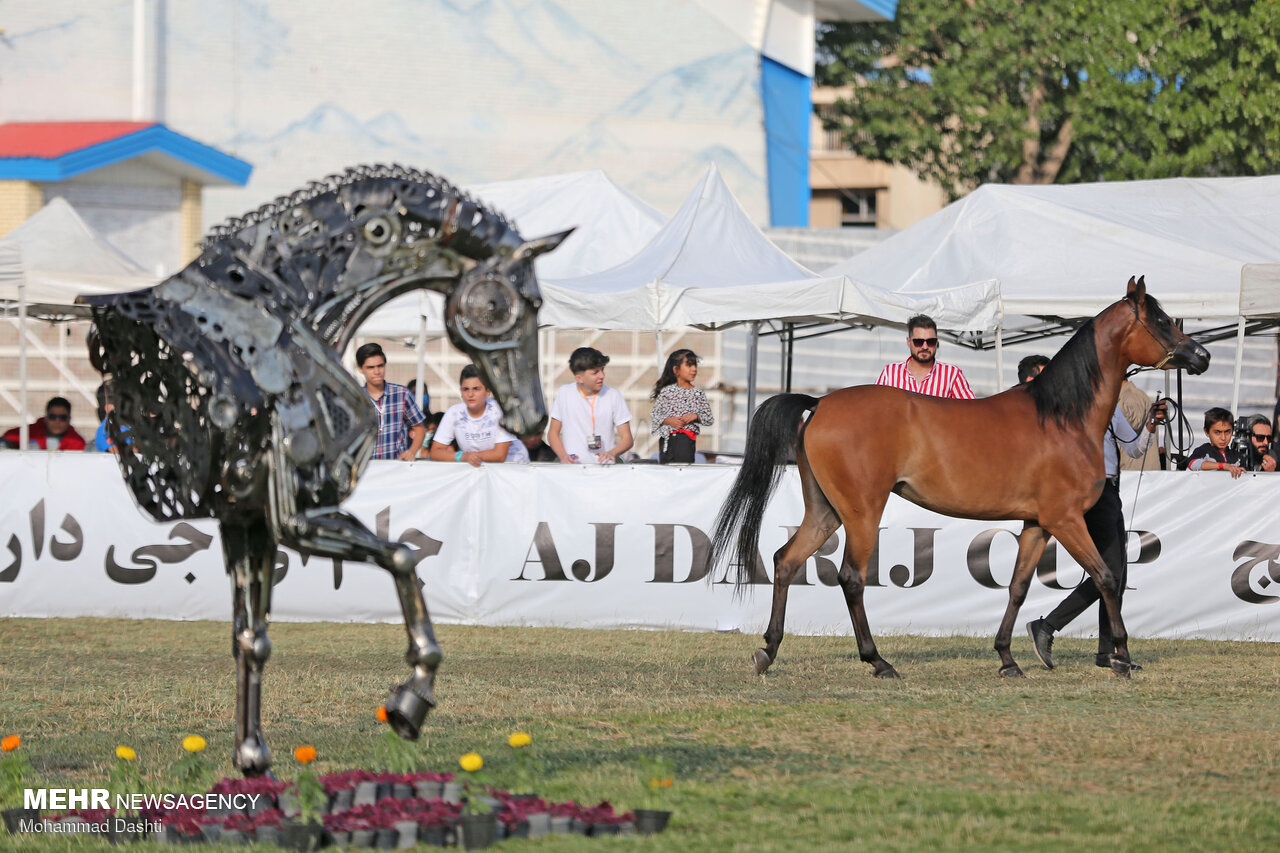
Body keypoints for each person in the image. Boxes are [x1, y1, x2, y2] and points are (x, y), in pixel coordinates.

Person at [1027, 397, 1167, 672]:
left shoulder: (1112, 405)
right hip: (1091, 488)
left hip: (1111, 489)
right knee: (1110, 574)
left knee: (1118, 575)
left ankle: (1106, 651)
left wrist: (1151, 425)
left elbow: (1133, 449)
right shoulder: (1074, 404)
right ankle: (1048, 626)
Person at [547, 346, 633, 464]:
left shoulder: (614, 395)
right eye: (595, 372)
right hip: (573, 469)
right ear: (579, 378)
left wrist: (611, 453)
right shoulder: (564, 393)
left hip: (605, 470)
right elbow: (553, 433)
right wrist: (563, 456)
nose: (602, 376)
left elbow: (627, 439)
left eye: (602, 370)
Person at [429, 364, 526, 465]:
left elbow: (499, 455)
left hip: (513, 469)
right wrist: (462, 456)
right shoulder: (453, 413)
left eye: (476, 389)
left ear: (488, 392)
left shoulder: (502, 411)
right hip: (477, 468)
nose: (470, 394)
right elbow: (435, 452)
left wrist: (470, 457)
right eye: (466, 389)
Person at [355, 342, 426, 461]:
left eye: (380, 366)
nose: (377, 372)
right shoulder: (356, 398)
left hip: (397, 468)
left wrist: (412, 452)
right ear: (360, 369)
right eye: (371, 367)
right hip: (367, 469)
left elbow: (419, 428)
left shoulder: (402, 394)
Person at [876, 314, 975, 398]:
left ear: (937, 342)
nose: (925, 346)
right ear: (909, 342)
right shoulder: (890, 373)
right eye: (918, 342)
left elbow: (971, 410)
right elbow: (876, 407)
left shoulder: (952, 374)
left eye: (930, 341)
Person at [650, 348, 715, 464]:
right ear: (676, 369)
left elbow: (709, 419)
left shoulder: (698, 394)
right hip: (666, 442)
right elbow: (655, 415)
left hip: (685, 441)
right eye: (689, 365)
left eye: (695, 365)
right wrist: (668, 421)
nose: (694, 369)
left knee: (683, 472)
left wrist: (696, 416)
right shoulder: (666, 392)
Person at [3, 396, 88, 451]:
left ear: (69, 419)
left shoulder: (77, 442)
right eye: (53, 417)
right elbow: (7, 439)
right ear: (46, 418)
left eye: (62, 418)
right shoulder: (29, 433)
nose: (57, 422)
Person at [1184, 407, 1245, 478]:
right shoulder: (1203, 451)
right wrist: (1222, 466)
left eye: (1227, 432)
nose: (1223, 438)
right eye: (1217, 432)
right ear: (1206, 432)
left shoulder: (1237, 456)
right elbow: (1192, 463)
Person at [1117, 379, 1162, 472]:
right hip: (1133, 476)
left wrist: (1109, 398)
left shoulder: (1131, 395)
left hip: (1135, 476)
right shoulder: (1126, 395)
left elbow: (1134, 422)